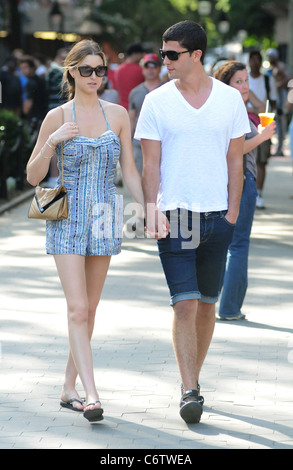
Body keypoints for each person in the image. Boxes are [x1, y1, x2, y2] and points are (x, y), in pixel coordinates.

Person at [134, 20, 251, 424]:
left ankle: (193, 377)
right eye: (163, 53)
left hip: (219, 215)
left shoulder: (229, 101)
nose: (164, 61)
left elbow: (236, 160)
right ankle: (190, 389)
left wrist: (233, 213)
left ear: (196, 55)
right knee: (183, 305)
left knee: (206, 306)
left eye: (172, 55)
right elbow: (150, 164)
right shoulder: (156, 101)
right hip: (176, 217)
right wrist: (151, 210)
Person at [26, 39, 144, 423]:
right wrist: (52, 144)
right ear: (72, 71)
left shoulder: (119, 115)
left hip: (106, 215)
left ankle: (68, 387)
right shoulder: (57, 117)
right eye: (87, 69)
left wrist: (142, 207)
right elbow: (32, 176)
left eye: (100, 69)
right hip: (65, 216)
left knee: (89, 310)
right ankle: (92, 395)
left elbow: (129, 169)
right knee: (77, 308)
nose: (95, 76)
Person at [214, 61, 276, 321]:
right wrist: (261, 137)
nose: (245, 86)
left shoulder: (226, 107)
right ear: (224, 85)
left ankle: (217, 302)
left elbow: (264, 107)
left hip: (225, 182)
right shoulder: (231, 109)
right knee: (238, 245)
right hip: (241, 180)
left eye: (247, 80)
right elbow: (234, 150)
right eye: (238, 82)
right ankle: (229, 307)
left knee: (225, 245)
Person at [248, 50, 277, 209]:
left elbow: (272, 102)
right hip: (247, 124)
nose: (255, 63)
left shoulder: (267, 80)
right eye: (253, 60)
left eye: (258, 60)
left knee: (261, 160)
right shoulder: (244, 79)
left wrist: (272, 118)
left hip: (263, 122)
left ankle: (258, 192)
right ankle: (250, 191)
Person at [129, 53, 162, 174]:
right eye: (147, 66)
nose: (151, 69)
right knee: (139, 182)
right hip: (139, 145)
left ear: (159, 68)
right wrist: (128, 145)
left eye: (154, 66)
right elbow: (132, 119)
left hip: (163, 145)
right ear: (142, 68)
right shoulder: (135, 92)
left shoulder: (168, 89)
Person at [267, 48, 290, 157]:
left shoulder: (280, 66)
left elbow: (289, 77)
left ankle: (280, 148)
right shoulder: (272, 67)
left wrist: (280, 84)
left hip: (281, 97)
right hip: (275, 97)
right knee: (276, 124)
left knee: (281, 124)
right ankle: (278, 147)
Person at [19, 56, 48, 129]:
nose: (23, 71)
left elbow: (28, 104)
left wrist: (23, 114)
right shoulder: (41, 80)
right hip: (43, 116)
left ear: (32, 68)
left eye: (25, 68)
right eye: (21, 68)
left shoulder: (30, 83)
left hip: (34, 118)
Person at [114, 43, 145, 109]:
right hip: (136, 108)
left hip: (122, 108)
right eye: (141, 54)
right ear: (135, 54)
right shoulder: (141, 70)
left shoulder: (118, 70)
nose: (142, 57)